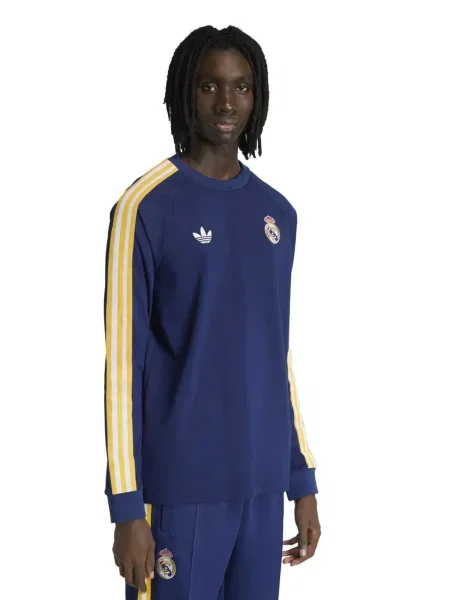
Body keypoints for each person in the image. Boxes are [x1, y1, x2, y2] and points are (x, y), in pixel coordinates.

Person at [103, 24, 321, 600]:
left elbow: (276, 352)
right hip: (180, 490)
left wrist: (301, 479)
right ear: (184, 93)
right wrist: (127, 506)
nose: (226, 103)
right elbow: (123, 367)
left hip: (261, 488)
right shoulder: (144, 206)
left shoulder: (278, 214)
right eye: (209, 86)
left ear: (257, 96)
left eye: (241, 87)